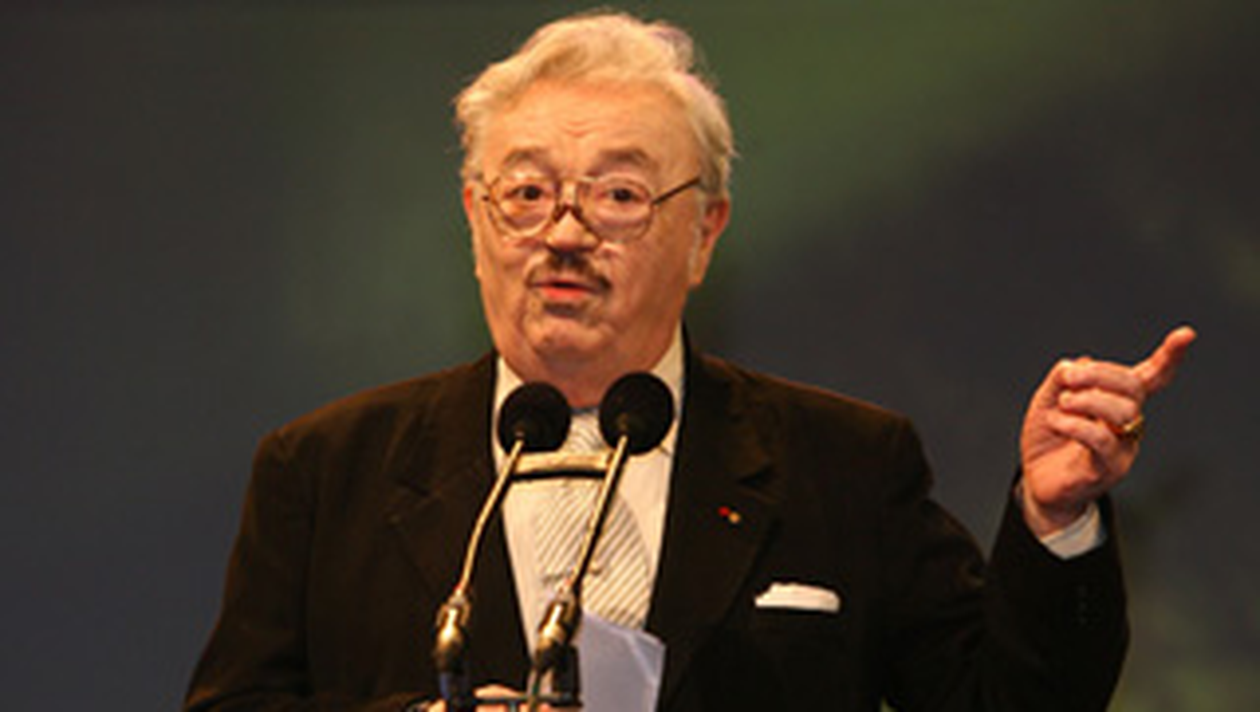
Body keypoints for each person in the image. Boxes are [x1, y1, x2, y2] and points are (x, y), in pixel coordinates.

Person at [184, 11, 1196, 712]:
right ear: (473, 218)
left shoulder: (843, 464)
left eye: (618, 196)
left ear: (705, 232)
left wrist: (1055, 521)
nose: (564, 232)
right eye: (526, 194)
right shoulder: (325, 471)